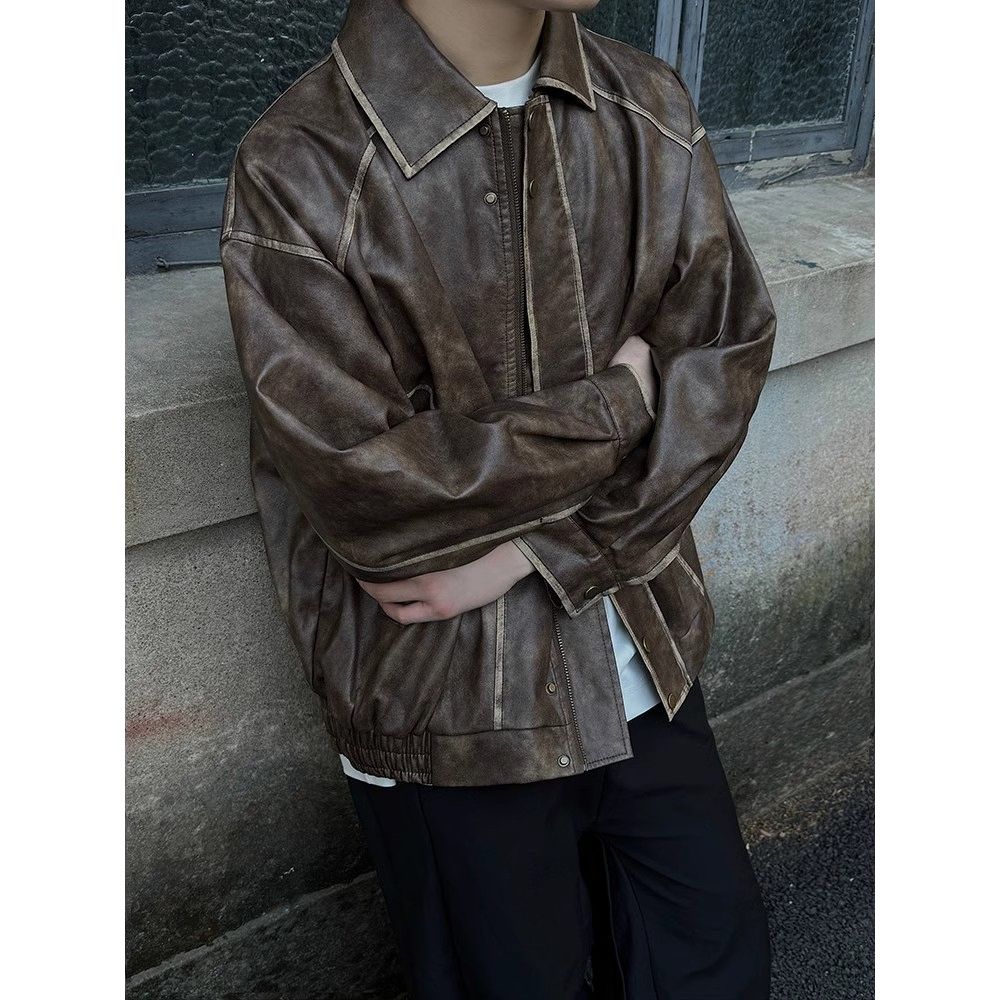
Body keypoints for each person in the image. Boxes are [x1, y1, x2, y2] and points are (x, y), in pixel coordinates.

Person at [220, 0, 776, 995]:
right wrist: (620, 402)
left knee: (717, 963)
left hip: (642, 657)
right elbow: (373, 492)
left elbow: (721, 366)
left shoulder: (646, 106)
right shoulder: (300, 165)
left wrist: (536, 551)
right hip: (448, 709)